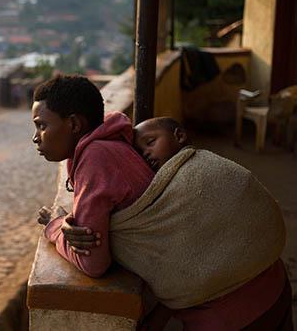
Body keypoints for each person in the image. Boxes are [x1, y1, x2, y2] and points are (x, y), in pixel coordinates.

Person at [62, 117, 291, 330]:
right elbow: (182, 268)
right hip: (276, 290)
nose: (146, 154)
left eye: (150, 142)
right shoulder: (163, 199)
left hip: (233, 318)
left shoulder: (204, 170)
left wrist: (58, 229)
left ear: (179, 136)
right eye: (140, 153)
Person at [32, 74, 154, 277]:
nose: (35, 138)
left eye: (42, 126)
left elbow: (92, 263)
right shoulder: (107, 144)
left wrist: (55, 226)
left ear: (73, 124)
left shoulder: (96, 158)